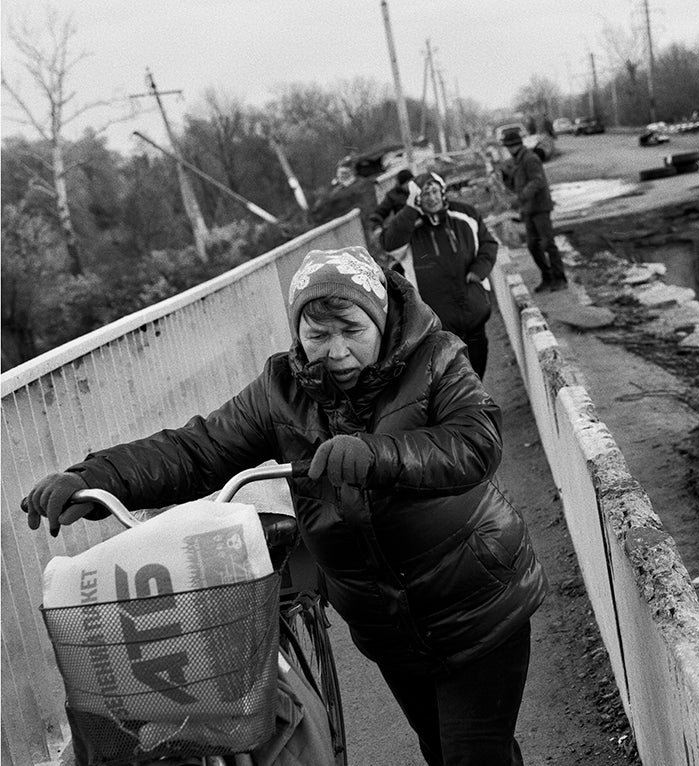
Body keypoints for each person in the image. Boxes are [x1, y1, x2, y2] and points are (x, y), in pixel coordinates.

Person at [21, 245, 548, 766]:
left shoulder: (437, 358)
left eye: (352, 332)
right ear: (297, 331)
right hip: (386, 625)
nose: (336, 352)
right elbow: (197, 448)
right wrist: (94, 477)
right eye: (317, 335)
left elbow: (476, 442)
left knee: (472, 754)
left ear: (382, 324)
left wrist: (378, 453)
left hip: (476, 603)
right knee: (441, 746)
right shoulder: (280, 389)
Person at [382, 171, 498, 379]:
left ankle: (477, 400)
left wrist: (477, 273)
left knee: (479, 365)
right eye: (425, 194)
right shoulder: (409, 227)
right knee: (452, 374)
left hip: (473, 310)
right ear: (416, 199)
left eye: (435, 191)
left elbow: (488, 244)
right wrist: (410, 209)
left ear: (443, 192)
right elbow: (389, 244)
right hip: (439, 323)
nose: (432, 198)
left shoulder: (465, 215)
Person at [498, 128, 567, 293]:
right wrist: (506, 177)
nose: (507, 150)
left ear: (515, 146)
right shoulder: (517, 161)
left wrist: (521, 196)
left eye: (509, 146)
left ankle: (560, 278)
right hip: (528, 209)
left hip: (540, 207)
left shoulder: (530, 159)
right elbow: (515, 185)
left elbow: (538, 181)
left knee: (547, 243)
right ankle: (548, 276)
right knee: (532, 245)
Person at [368, 168, 416, 274]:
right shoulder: (393, 196)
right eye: (407, 183)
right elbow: (379, 212)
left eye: (411, 182)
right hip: (404, 232)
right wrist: (377, 227)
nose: (409, 185)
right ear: (401, 184)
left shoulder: (418, 191)